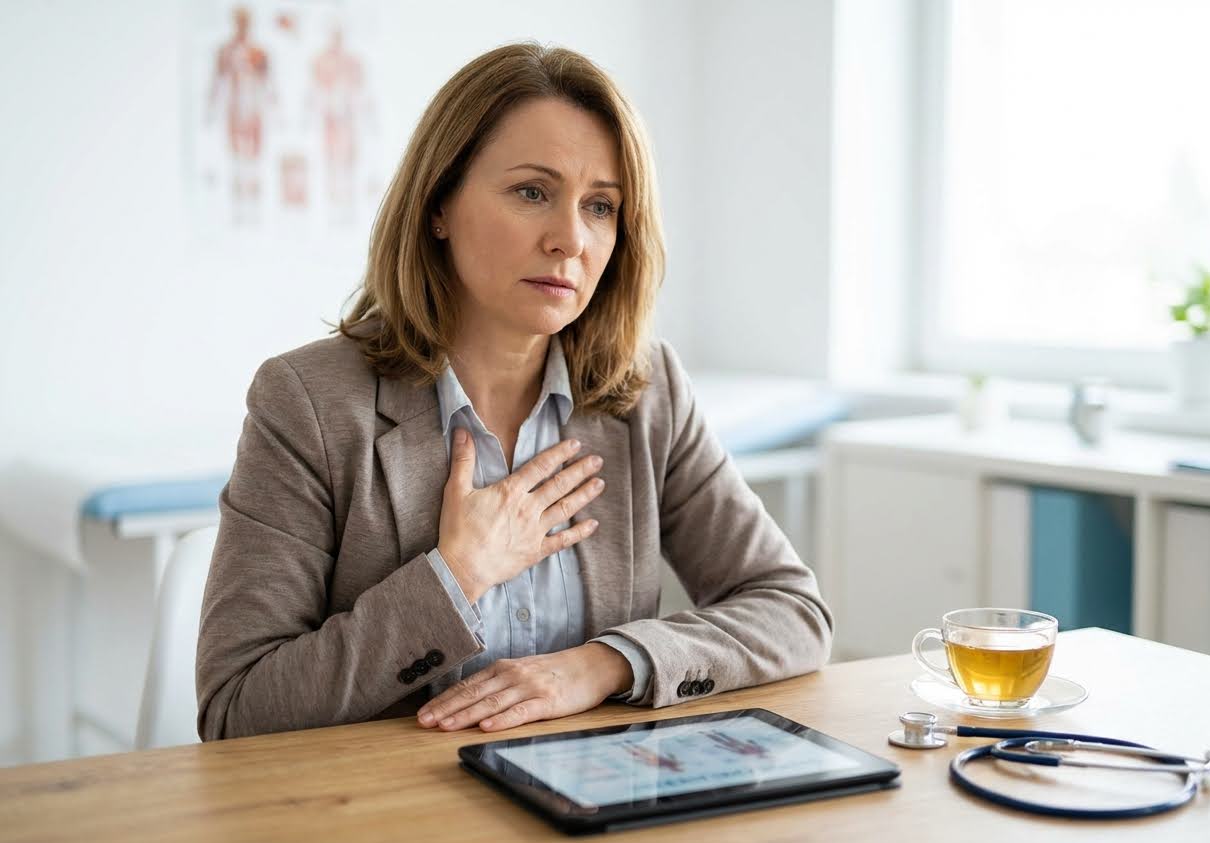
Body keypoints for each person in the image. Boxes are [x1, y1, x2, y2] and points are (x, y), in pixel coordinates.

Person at [196, 41, 833, 741]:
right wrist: (457, 574)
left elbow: (792, 612)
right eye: (532, 192)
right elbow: (238, 708)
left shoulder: (648, 394)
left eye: (600, 207)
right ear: (439, 204)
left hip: (591, 799)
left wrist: (602, 665)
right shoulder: (307, 402)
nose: (570, 239)